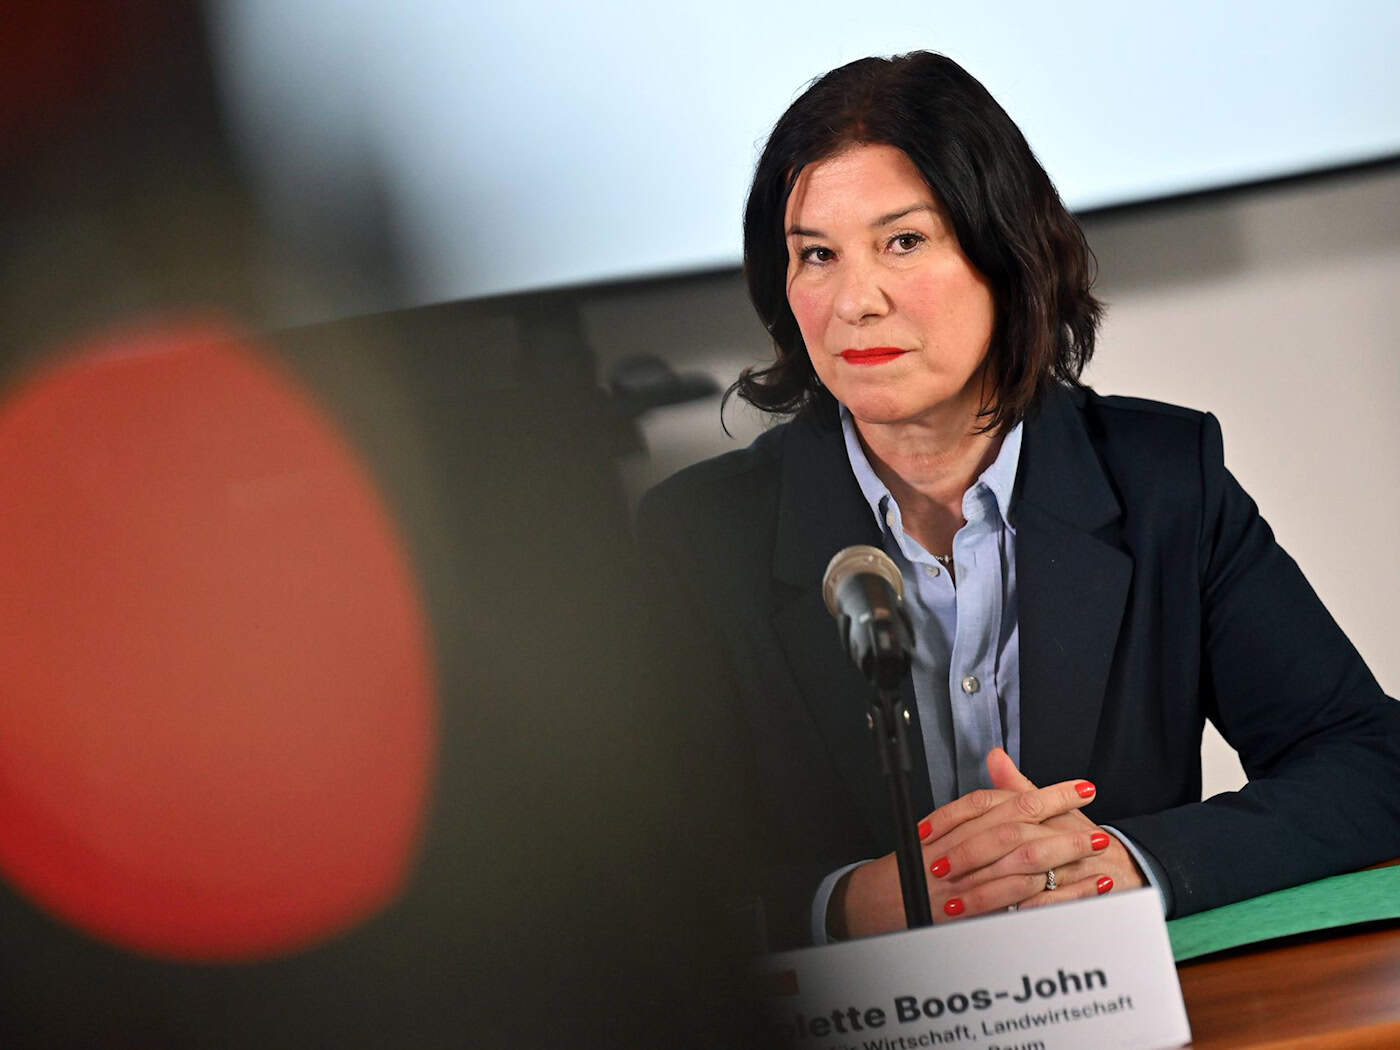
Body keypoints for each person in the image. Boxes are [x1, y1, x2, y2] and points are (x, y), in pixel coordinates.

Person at [636, 51, 1400, 950]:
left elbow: (1368, 768)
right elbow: (619, 884)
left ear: (1005, 250)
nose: (856, 301)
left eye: (904, 241)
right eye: (816, 256)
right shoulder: (697, 537)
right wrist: (848, 904)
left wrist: (1124, 861)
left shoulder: (1162, 481)